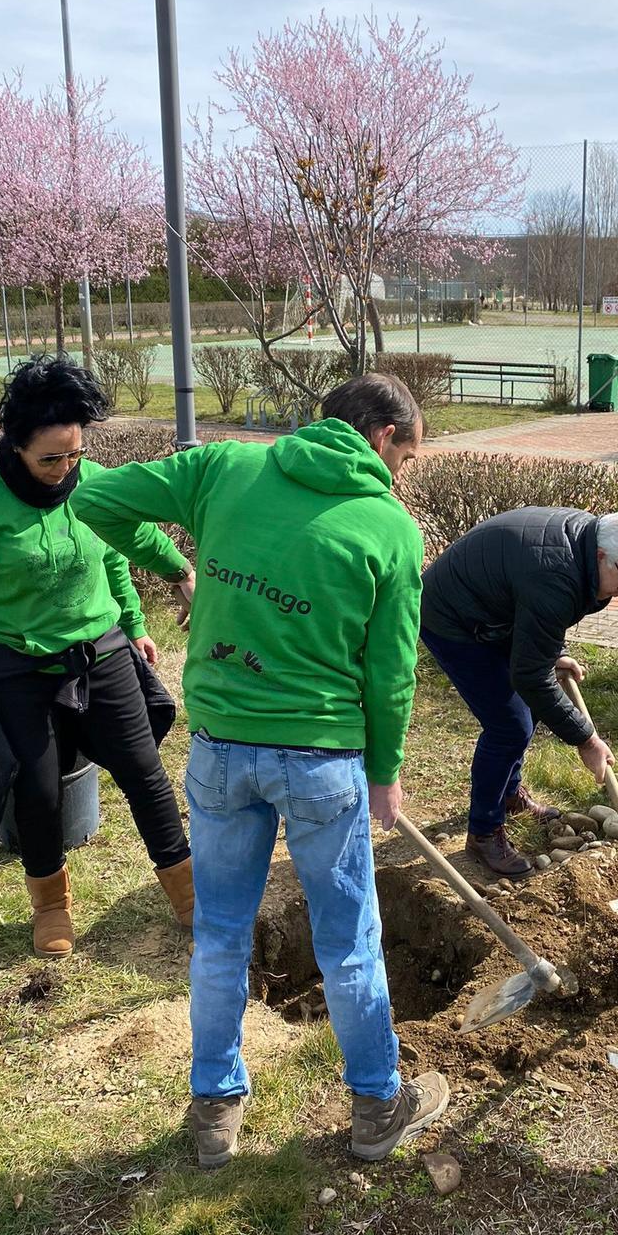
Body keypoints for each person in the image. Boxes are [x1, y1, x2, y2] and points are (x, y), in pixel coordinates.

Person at [72, 372, 449, 1169]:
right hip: (323, 761)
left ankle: (215, 1110)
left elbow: (94, 500)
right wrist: (387, 772)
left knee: (217, 935)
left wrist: (186, 563)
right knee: (349, 944)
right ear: (382, 436)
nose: (401, 475)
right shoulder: (389, 527)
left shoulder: (222, 469)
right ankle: (378, 1105)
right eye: (406, 457)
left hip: (219, 753)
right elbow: (390, 675)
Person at [0, 358, 194, 959]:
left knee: (143, 770)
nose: (64, 469)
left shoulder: (94, 483)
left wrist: (165, 590)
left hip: (99, 649)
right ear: (16, 444)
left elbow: (123, 548)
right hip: (18, 665)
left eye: (74, 454)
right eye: (50, 458)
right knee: (39, 791)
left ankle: (186, 891)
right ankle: (50, 905)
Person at [420, 509, 618, 876]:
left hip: (495, 608)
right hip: (453, 617)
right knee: (509, 725)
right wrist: (586, 739)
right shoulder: (558, 570)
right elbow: (531, 672)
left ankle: (508, 793)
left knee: (528, 708)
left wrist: (553, 651)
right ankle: (484, 832)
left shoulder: (585, 547)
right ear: (602, 556)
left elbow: (545, 608)